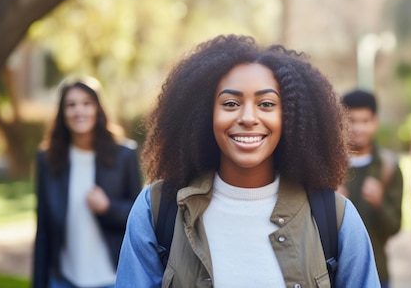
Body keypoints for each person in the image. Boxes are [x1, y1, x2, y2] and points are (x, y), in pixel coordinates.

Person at [115, 35, 380, 287]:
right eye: (230, 103)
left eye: (266, 104)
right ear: (203, 114)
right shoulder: (158, 210)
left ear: (290, 117)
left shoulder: (335, 217)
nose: (248, 118)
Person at [33, 75, 142, 288]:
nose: (79, 111)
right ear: (62, 113)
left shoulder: (124, 155)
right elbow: (43, 230)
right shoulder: (48, 160)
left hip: (113, 279)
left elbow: (140, 218)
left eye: (86, 103)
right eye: (71, 105)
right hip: (63, 280)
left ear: (98, 109)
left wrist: (108, 208)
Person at [338, 89, 403, 288]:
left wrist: (379, 203)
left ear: (375, 122)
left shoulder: (388, 166)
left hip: (376, 271)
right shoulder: (327, 166)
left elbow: (394, 227)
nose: (358, 128)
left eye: (365, 121)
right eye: (351, 121)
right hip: (330, 270)